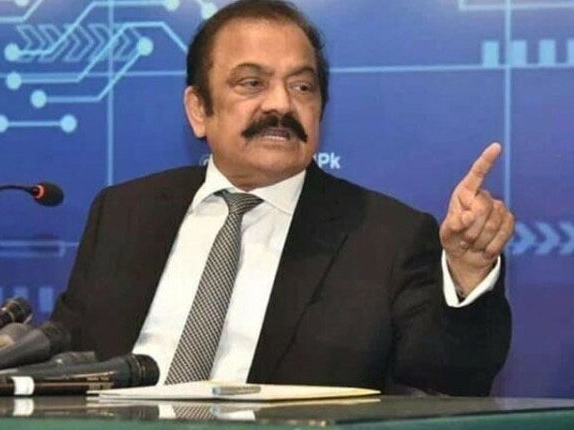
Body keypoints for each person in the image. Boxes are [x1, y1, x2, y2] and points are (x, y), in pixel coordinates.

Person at [51, 0, 513, 395]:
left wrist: (467, 274)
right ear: (199, 109)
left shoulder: (387, 236)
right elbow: (62, 364)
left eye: (302, 87)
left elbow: (450, 378)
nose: (281, 104)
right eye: (252, 83)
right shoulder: (123, 213)